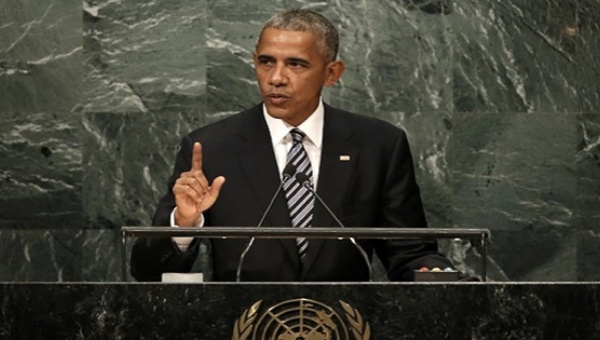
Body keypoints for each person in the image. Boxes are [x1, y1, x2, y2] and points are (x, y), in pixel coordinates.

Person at [130, 8, 455, 282]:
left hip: (345, 323)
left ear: (332, 73)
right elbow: (146, 272)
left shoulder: (378, 145)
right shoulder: (212, 148)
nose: (276, 78)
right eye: (266, 62)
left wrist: (438, 275)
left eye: (296, 64)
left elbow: (410, 250)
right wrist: (184, 225)